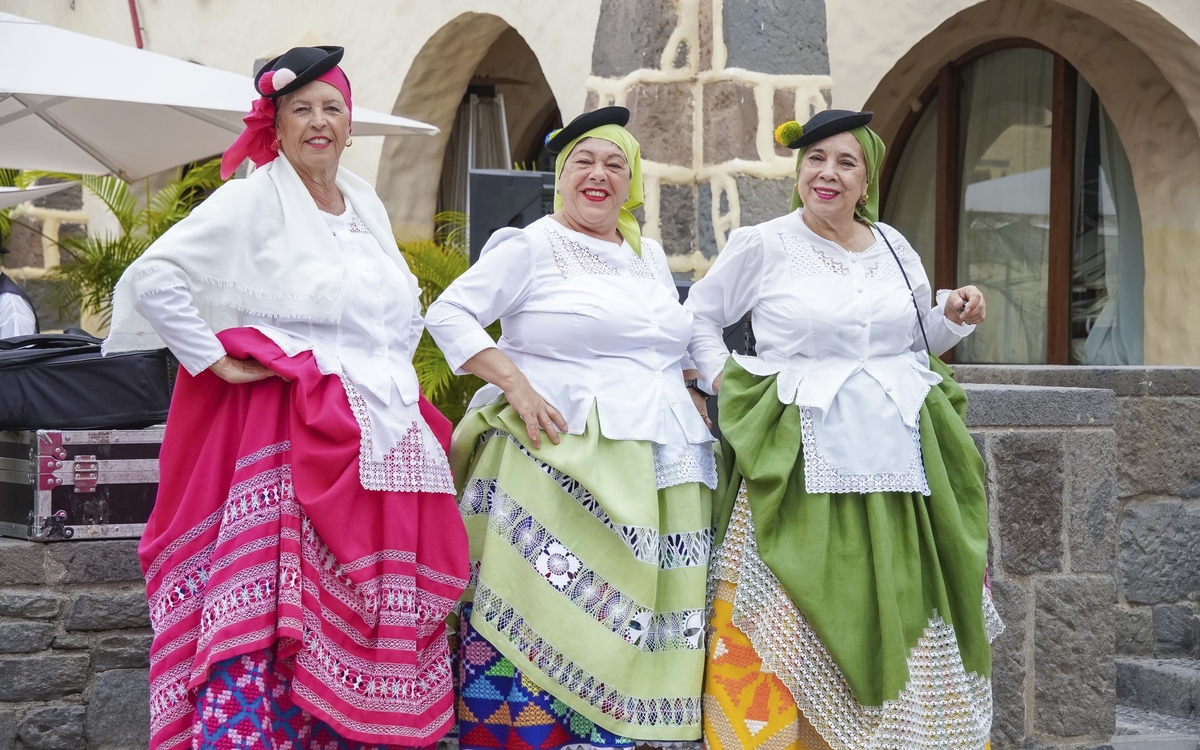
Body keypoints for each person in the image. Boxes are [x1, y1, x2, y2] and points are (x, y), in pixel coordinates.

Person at [104, 46, 469, 750]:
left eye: (332, 107)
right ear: (276, 124)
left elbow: (391, 319)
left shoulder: (363, 203)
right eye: (301, 109)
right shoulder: (251, 197)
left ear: (351, 123)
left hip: (379, 436)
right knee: (274, 612)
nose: (319, 122)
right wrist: (215, 360)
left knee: (360, 619)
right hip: (293, 431)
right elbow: (155, 279)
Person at [685, 109, 1004, 750]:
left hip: (901, 452)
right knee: (794, 603)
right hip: (801, 449)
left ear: (867, 180)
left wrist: (955, 313)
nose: (827, 173)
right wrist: (729, 386)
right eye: (815, 160)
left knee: (910, 598)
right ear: (799, 171)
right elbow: (697, 321)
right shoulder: (764, 244)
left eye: (845, 162)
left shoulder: (892, 243)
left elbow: (921, 337)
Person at [424, 107, 715, 749]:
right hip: (558, 458)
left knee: (641, 616)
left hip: (661, 463)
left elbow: (666, 342)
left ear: (631, 180)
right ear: (560, 175)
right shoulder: (531, 245)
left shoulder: (650, 256)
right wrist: (515, 383)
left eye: (615, 163)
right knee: (541, 611)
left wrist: (690, 385)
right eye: (583, 160)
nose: (599, 175)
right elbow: (449, 314)